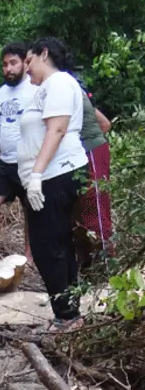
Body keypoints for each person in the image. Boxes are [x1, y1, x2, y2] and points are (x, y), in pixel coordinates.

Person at [17, 37, 88, 331]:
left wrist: (36, 174)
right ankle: (69, 311)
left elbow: (57, 129)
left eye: (29, 61)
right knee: (57, 242)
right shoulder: (45, 89)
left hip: (55, 174)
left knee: (48, 247)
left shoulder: (59, 83)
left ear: (44, 54)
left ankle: (67, 317)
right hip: (50, 174)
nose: (26, 69)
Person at [0, 43, 37, 259]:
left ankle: (29, 256)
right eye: (5, 65)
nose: (8, 69)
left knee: (29, 208)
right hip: (5, 162)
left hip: (28, 161)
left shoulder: (35, 89)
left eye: (13, 63)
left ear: (25, 62)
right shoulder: (1, 93)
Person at [74, 81, 112, 267]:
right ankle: (87, 263)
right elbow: (105, 123)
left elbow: (104, 124)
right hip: (76, 158)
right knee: (79, 209)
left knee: (95, 204)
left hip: (91, 152)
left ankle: (107, 264)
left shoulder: (68, 86)